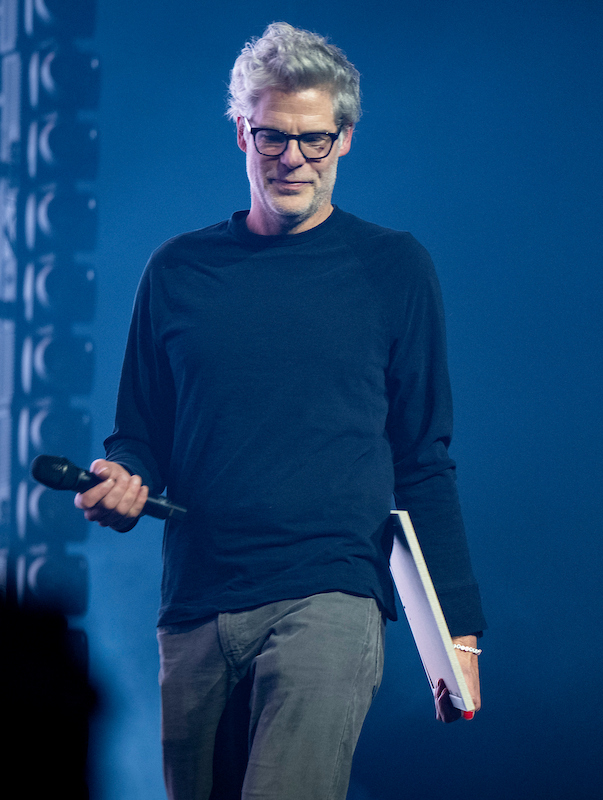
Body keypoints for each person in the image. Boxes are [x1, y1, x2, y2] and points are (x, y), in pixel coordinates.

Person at [75, 22, 485, 800]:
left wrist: (455, 631)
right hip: (195, 604)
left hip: (328, 593)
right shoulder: (177, 271)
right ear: (242, 133)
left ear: (345, 138)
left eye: (314, 139)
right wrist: (121, 481)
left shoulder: (394, 268)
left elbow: (424, 459)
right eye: (272, 136)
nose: (292, 157)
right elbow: (138, 435)